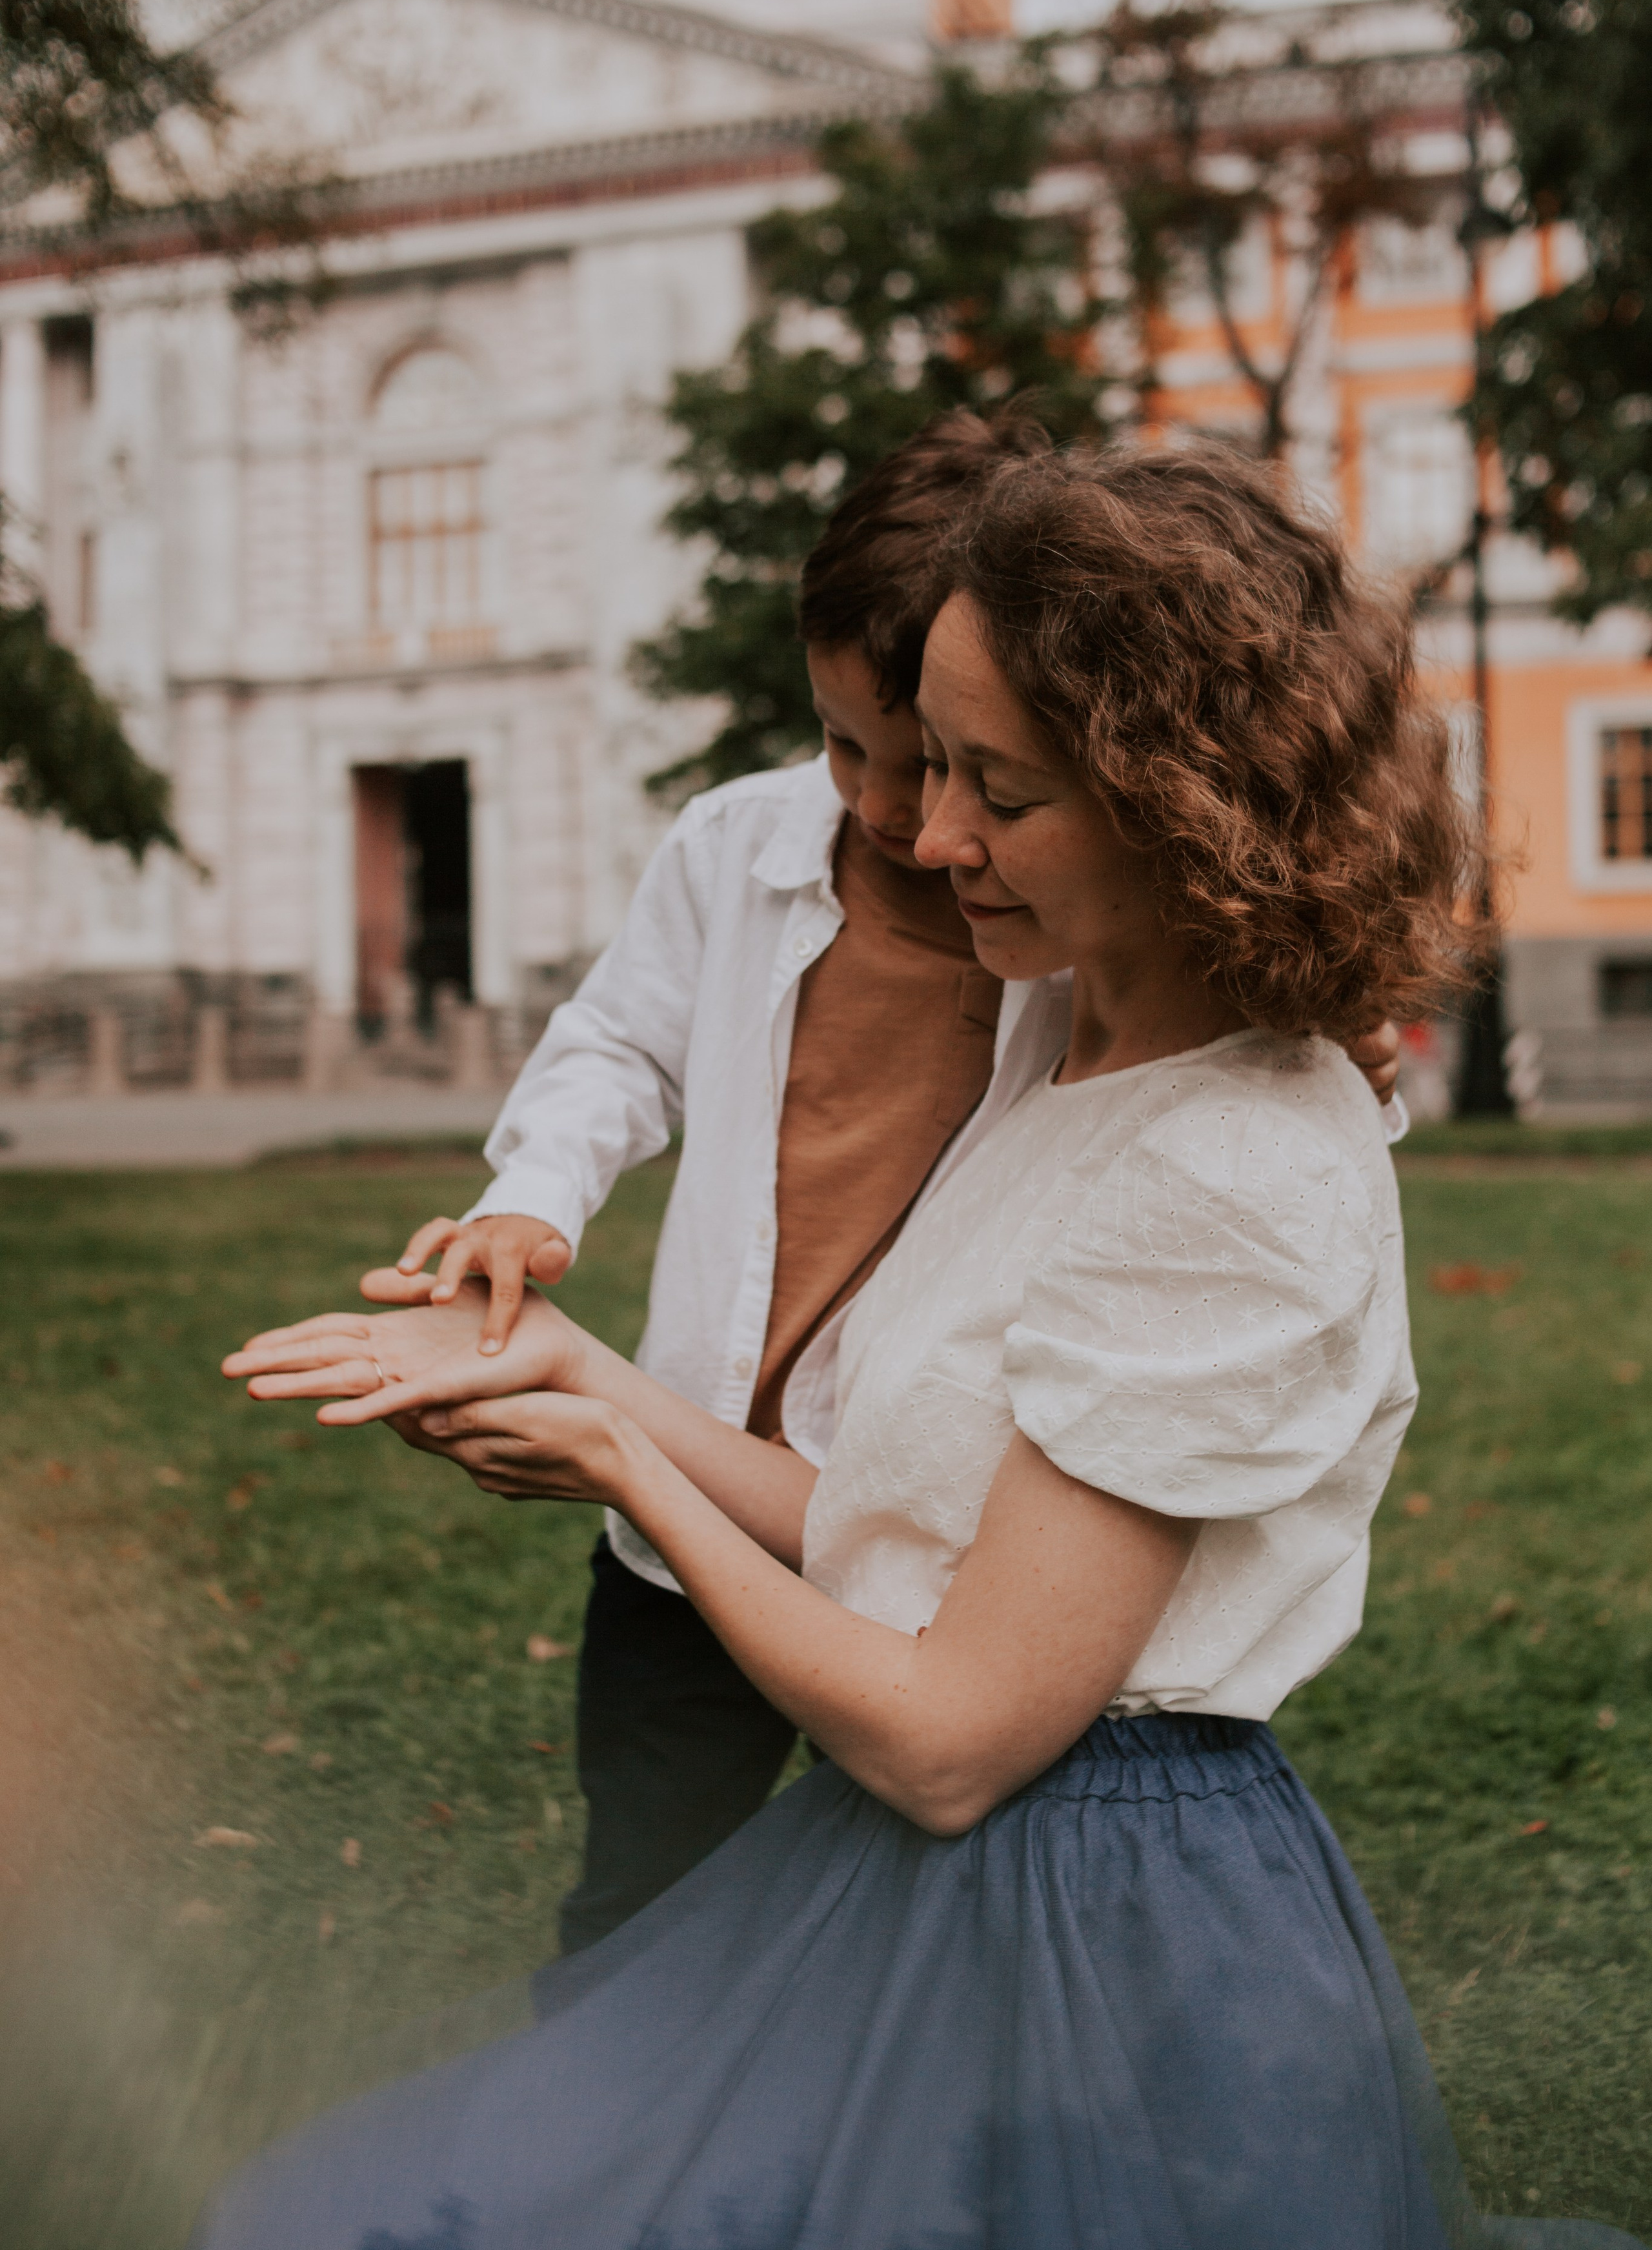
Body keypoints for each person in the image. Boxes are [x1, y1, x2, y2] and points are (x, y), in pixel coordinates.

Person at [206, 441, 1633, 2249]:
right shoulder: (1066, 1050)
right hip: (939, 1872)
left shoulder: (1226, 1161)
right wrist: (576, 1370)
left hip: (1084, 1928)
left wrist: (625, 1457)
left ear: (1184, 801)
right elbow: (896, 1522)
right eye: (914, 760)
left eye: (995, 788)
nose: (922, 831)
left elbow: (958, 1733)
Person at [367, 409, 1403, 1952]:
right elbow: (613, 1047)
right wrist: (541, 1221)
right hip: (742, 1506)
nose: (903, 819)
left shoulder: (1094, 985)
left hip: (946, 1572)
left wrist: (1306, 1015)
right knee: (646, 1905)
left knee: (849, 1944)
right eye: (850, 747)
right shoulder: (752, 853)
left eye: (961, 773)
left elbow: (1212, 1165)